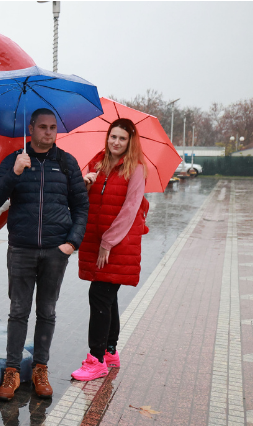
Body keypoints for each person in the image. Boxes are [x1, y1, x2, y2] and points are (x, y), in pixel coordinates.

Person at [0, 109, 88, 400]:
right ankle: (13, 372)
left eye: (53, 128)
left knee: (47, 312)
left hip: (55, 252)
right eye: (43, 127)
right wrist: (15, 173)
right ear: (31, 128)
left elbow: (81, 206)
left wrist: (72, 243)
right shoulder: (15, 160)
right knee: (18, 312)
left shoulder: (66, 163)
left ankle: (41, 368)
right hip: (22, 249)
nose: (49, 133)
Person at [71, 117, 150, 381]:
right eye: (112, 136)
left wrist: (108, 242)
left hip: (116, 243)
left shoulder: (136, 169)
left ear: (130, 142)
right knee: (108, 296)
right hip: (96, 241)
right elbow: (82, 198)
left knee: (99, 295)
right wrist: (85, 183)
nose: (116, 142)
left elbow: (129, 210)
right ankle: (110, 352)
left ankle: (95, 359)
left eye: (122, 138)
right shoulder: (98, 162)